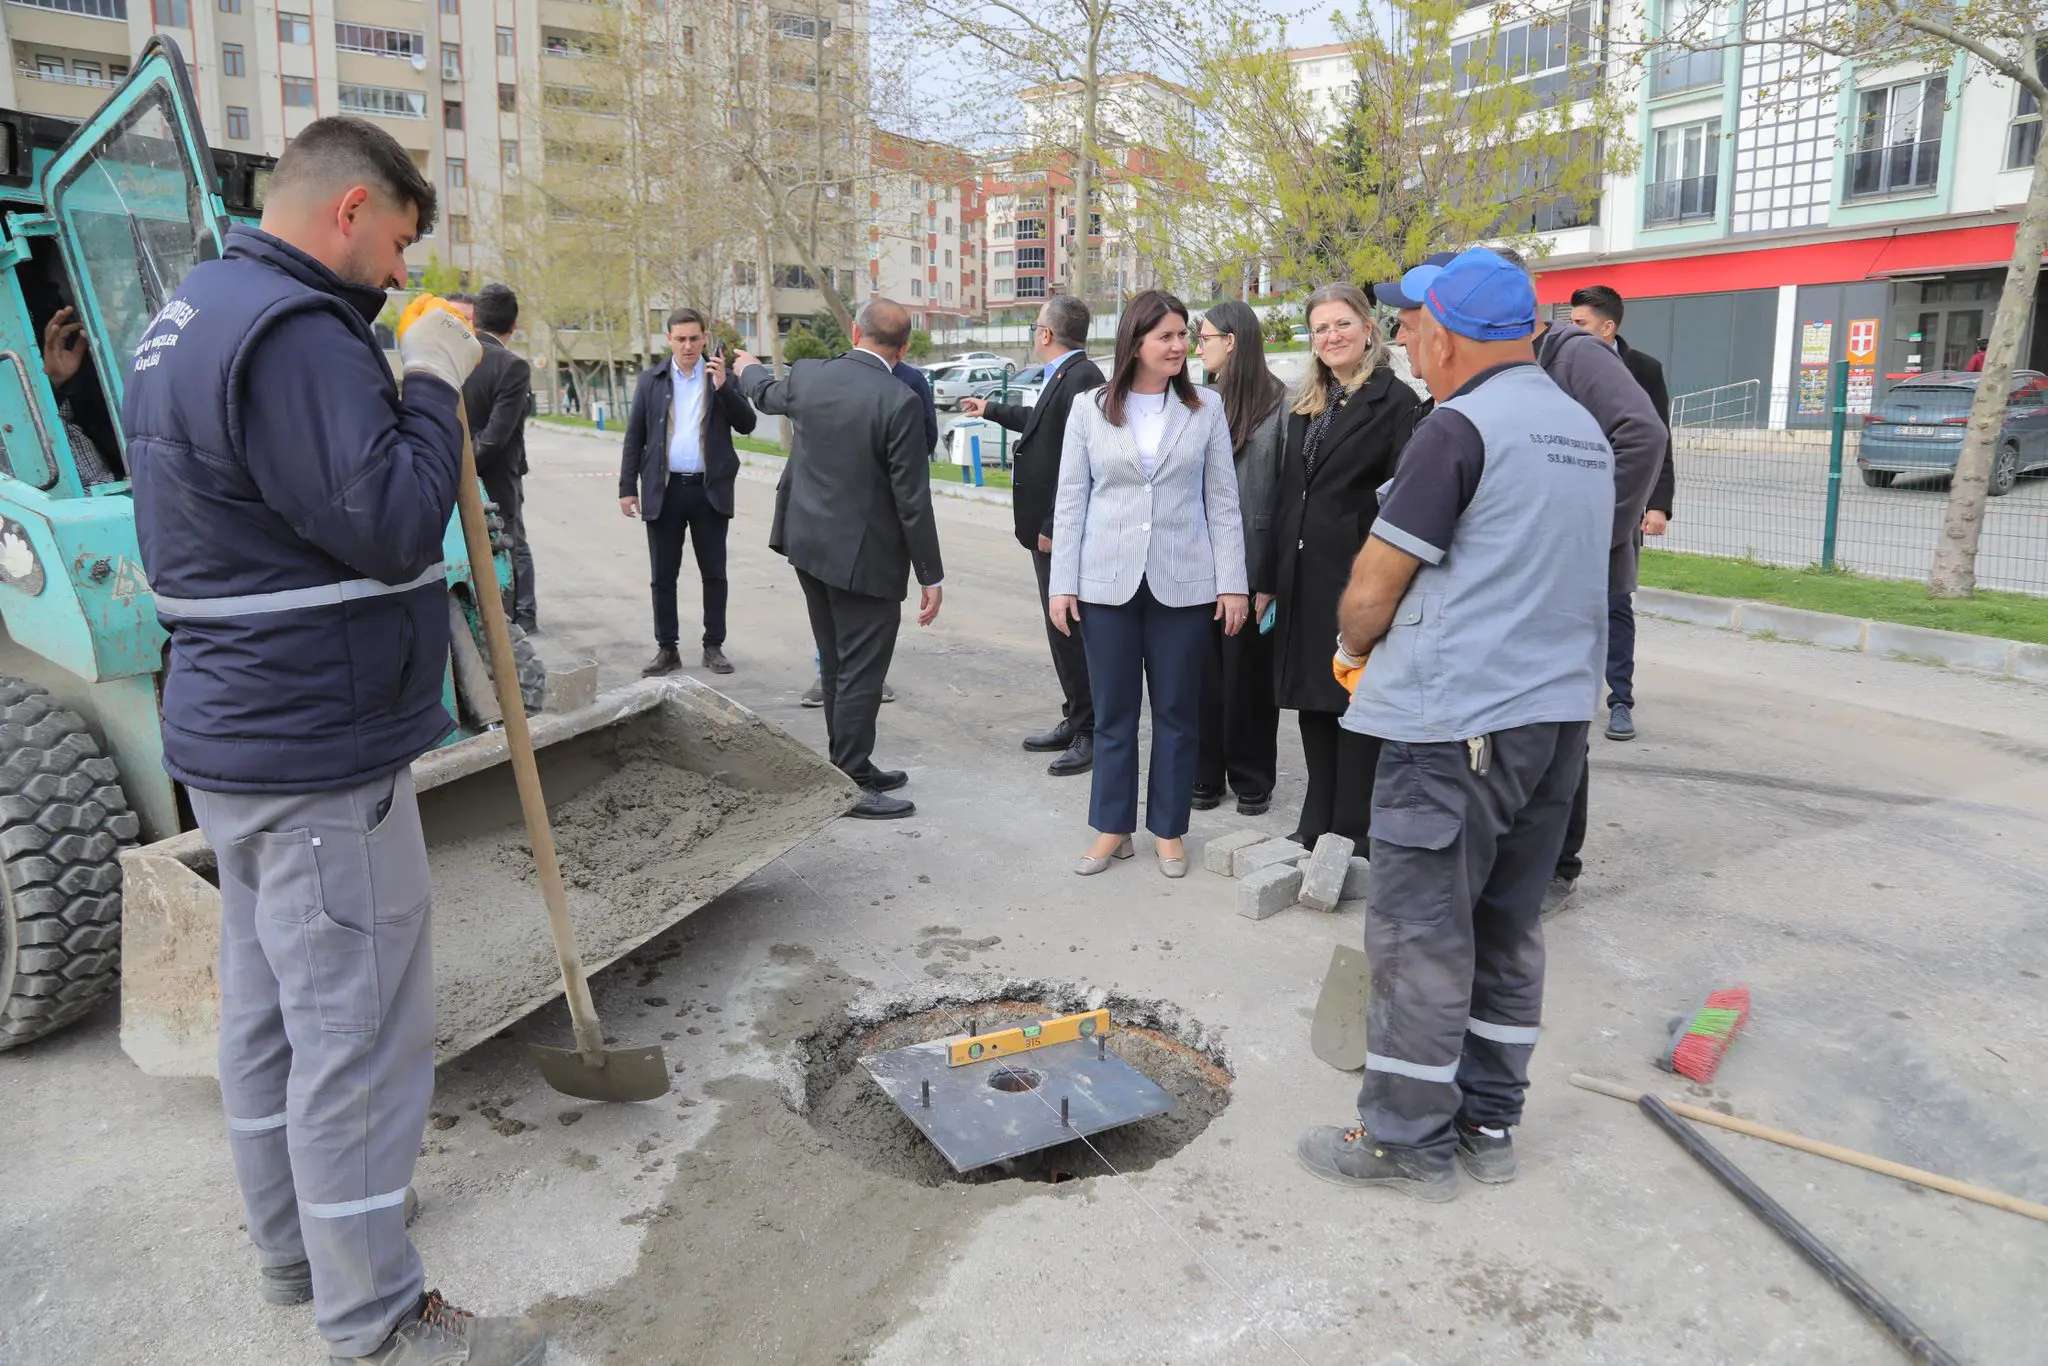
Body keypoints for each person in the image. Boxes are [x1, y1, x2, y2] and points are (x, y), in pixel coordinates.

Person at [123, 117, 545, 1364]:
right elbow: (394, 525)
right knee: (357, 1035)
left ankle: (294, 1248)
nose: (399, 278)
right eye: (398, 245)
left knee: (267, 1014)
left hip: (234, 733)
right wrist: (427, 378)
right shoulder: (298, 337)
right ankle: (376, 1316)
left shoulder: (193, 307)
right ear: (351, 209)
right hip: (316, 745)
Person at [1296, 248, 1612, 1202]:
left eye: (1408, 323)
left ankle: (1403, 1143)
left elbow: (1374, 589)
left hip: (1455, 727)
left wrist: (1353, 647)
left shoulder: (1456, 430)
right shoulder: (1581, 432)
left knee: (1422, 937)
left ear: (1444, 332)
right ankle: (1487, 1123)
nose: (1401, 337)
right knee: (1508, 928)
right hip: (1553, 726)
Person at [1049, 289, 1248, 878]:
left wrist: (1232, 584)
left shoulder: (1206, 408)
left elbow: (1224, 504)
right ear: (1135, 342)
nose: (1180, 346)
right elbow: (1070, 500)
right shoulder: (1089, 408)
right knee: (1113, 713)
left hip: (1184, 584)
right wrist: (1062, 585)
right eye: (1166, 336)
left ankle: (1168, 829)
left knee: (1177, 711)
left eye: (1185, 335)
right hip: (1105, 583)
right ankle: (1113, 827)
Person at [1493, 251, 1664, 920]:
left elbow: (1643, 433)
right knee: (1524, 722)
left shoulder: (1572, 353)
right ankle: (1521, 860)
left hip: (1573, 571)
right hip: (1527, 570)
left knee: (1558, 725)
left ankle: (1557, 868)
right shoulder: (1505, 364)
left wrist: (1596, 532)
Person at [733, 298, 943, 819]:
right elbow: (912, 500)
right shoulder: (900, 401)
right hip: (864, 560)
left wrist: (745, 366)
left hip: (807, 546)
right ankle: (850, 780)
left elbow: (762, 391)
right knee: (860, 671)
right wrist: (930, 575)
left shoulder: (809, 376)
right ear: (905, 346)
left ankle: (850, 764)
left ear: (854, 331)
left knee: (837, 662)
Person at [1260, 283, 1420, 848]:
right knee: (1312, 700)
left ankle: (1353, 828)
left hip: (1354, 576)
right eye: (1321, 328)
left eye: (1342, 324)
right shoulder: (1309, 401)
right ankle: (1315, 818)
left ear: (1368, 328)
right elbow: (1288, 493)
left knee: (1353, 702)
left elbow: (1400, 498)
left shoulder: (1395, 402)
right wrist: (1268, 580)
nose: (1331, 336)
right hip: (1302, 575)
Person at [960, 295, 1106, 778]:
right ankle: (1076, 715)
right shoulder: (1063, 375)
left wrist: (1052, 525)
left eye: (1034, 326)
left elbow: (1081, 460)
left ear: (1046, 334)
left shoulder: (1083, 377)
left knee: (1072, 629)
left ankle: (1090, 730)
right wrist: (992, 409)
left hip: (1058, 531)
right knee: (1060, 628)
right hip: (1047, 529)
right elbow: (1043, 428)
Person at [620, 307, 756, 677]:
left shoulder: (718, 378)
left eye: (695, 338)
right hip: (663, 491)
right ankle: (667, 649)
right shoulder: (652, 380)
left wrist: (724, 386)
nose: (688, 346)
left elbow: (747, 424)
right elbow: (635, 438)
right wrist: (626, 488)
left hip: (708, 492)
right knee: (663, 576)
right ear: (669, 340)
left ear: (704, 338)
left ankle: (714, 646)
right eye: (680, 339)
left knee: (714, 573)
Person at [1190, 300, 1286, 816]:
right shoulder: (1199, 403)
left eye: (1203, 337)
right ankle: (1205, 774)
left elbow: (1287, 493)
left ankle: (1252, 778)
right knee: (1202, 674)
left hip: (1254, 564)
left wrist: (1270, 576)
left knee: (1249, 677)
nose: (1196, 346)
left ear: (1231, 340)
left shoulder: (1283, 405)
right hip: (1197, 564)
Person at [1569, 284, 1675, 743]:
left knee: (1615, 603)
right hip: (1568, 501)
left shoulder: (1642, 369)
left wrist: (1658, 504)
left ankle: (1620, 701)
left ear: (1608, 328)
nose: (1570, 332)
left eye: (1581, 325)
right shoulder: (1558, 365)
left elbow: (1658, 438)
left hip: (1620, 506)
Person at [801, 355, 928, 707]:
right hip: (828, 514)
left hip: (876, 522)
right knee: (830, 606)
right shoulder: (830, 374)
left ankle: (868, 678)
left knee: (866, 611)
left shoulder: (910, 384)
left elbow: (924, 441)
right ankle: (826, 672)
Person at [462, 282, 538, 629]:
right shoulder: (513, 367)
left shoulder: (453, 355)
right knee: (503, 555)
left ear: (474, 318)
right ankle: (509, 627)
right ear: (514, 326)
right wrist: (463, 473)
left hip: (445, 473)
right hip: (493, 482)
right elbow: (494, 438)